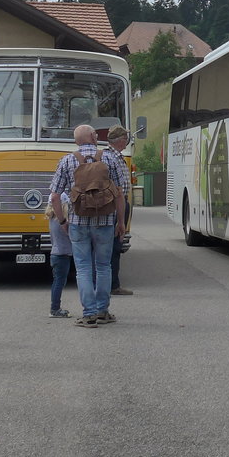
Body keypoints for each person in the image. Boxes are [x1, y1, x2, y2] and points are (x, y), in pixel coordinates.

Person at [49, 124, 128, 328]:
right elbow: (120, 194)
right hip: (105, 222)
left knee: (83, 269)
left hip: (78, 222)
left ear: (76, 141)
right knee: (103, 266)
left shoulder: (67, 160)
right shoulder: (110, 158)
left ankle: (89, 314)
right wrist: (121, 223)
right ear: (93, 137)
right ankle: (103, 311)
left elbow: (55, 196)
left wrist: (63, 221)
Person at [104, 125, 134, 297]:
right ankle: (113, 284)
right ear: (121, 140)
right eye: (125, 139)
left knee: (114, 245)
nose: (126, 142)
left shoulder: (111, 156)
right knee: (115, 245)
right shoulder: (113, 159)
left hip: (117, 203)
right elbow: (118, 189)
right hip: (117, 205)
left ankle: (111, 282)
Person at [46, 191, 73, 317]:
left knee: (57, 281)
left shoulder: (52, 220)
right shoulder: (62, 223)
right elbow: (71, 236)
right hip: (62, 254)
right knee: (59, 282)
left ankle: (55, 307)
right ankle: (55, 308)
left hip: (55, 253)